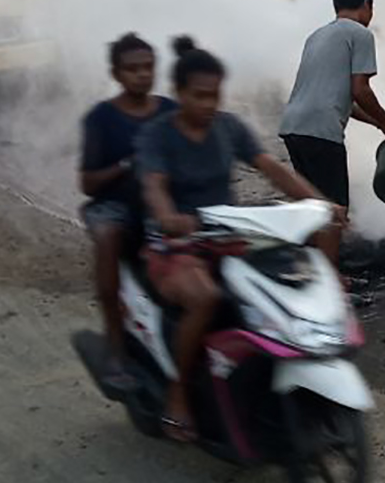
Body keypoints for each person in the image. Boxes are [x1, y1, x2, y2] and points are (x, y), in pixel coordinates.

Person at [138, 37, 326, 444]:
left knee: (286, 282)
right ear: (180, 93)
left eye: (214, 95)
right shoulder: (158, 135)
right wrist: (169, 218)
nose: (208, 104)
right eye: (199, 96)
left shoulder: (227, 127)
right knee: (206, 299)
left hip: (226, 239)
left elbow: (271, 167)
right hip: (175, 248)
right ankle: (177, 395)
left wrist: (319, 203)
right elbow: (154, 185)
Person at [280, 0, 385, 258]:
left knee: (314, 206)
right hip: (321, 130)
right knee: (334, 209)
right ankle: (333, 283)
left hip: (293, 126)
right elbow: (360, 90)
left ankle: (315, 272)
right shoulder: (360, 34)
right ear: (366, 3)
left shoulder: (317, 35)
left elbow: (343, 100)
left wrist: (379, 124)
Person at [78, 33, 176, 392]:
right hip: (113, 206)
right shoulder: (101, 119)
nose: (142, 75)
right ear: (117, 74)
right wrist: (125, 164)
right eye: (132, 69)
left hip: (160, 205)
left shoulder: (169, 111)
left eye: (148, 67)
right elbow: (88, 183)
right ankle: (116, 348)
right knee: (108, 236)